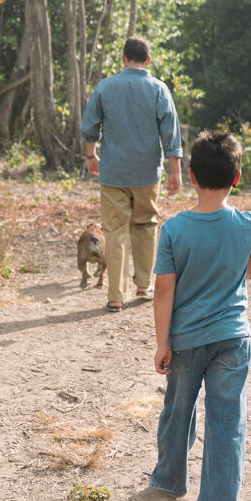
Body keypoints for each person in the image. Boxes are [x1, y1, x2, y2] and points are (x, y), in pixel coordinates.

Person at [150, 129, 251, 501]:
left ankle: (169, 479)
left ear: (193, 176)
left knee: (178, 410)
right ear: (237, 177)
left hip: (185, 340)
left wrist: (163, 342)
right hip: (233, 339)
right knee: (227, 425)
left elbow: (164, 289)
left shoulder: (174, 229)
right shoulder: (248, 223)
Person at [81, 36, 182, 312]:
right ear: (148, 60)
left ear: (124, 58)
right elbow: (170, 132)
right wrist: (176, 169)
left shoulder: (105, 87)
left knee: (114, 230)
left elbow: (90, 125)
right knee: (146, 224)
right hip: (148, 172)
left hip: (113, 172)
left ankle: (115, 295)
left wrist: (91, 156)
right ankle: (142, 284)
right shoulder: (159, 89)